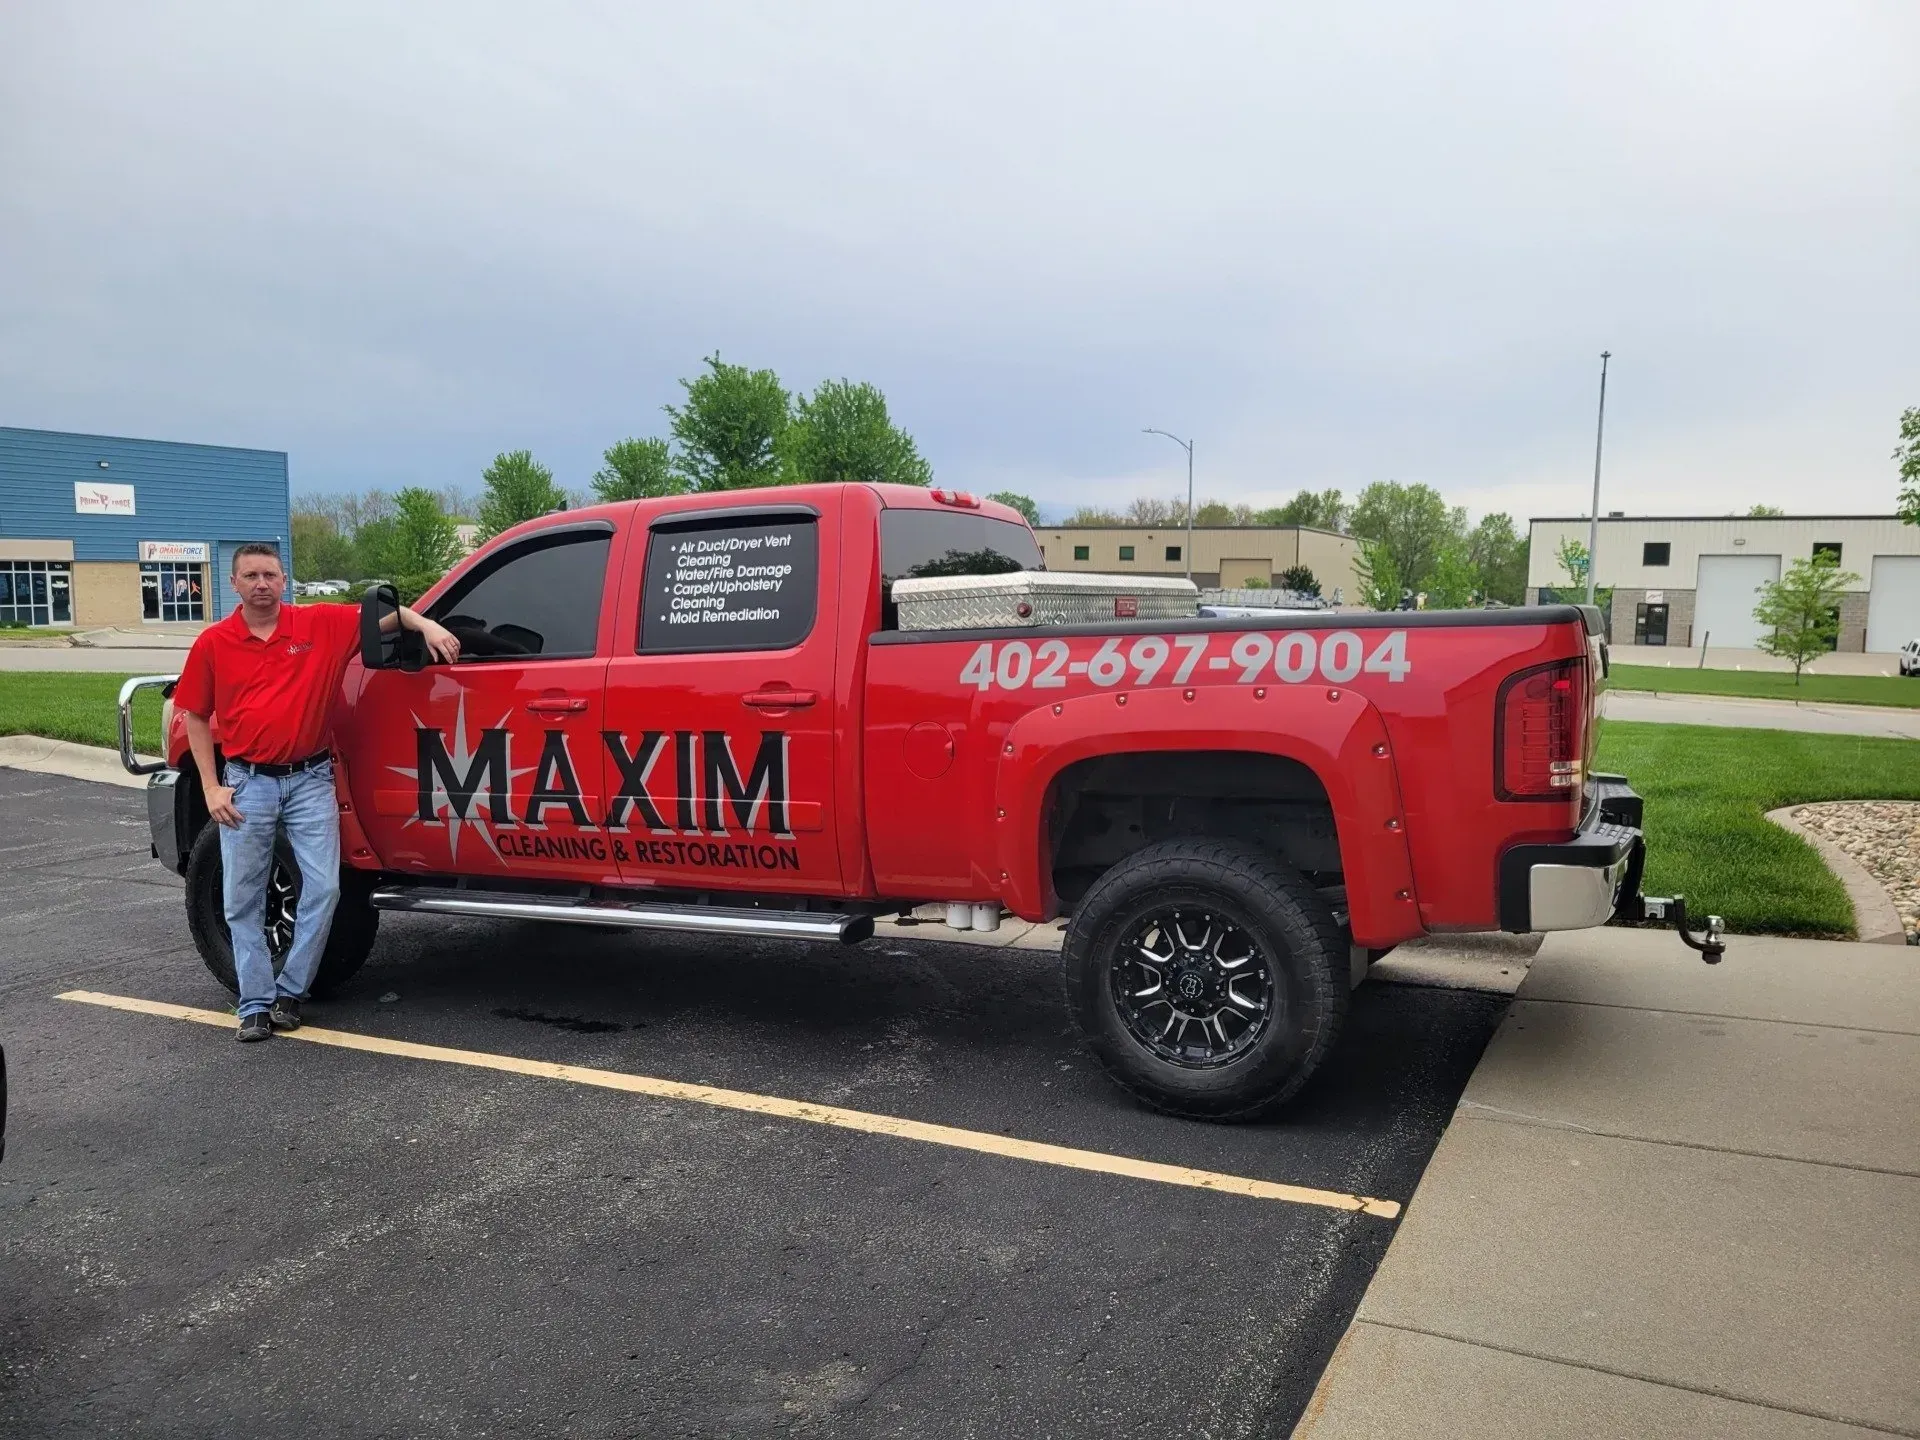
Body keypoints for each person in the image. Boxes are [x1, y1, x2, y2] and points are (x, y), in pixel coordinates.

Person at [173, 544, 460, 1042]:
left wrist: (425, 625)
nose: (261, 584)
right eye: (251, 576)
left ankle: (290, 991)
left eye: (270, 575)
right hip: (246, 782)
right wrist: (212, 786)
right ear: (235, 584)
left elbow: (384, 614)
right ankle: (256, 1003)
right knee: (242, 897)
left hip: (310, 779)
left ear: (285, 581)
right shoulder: (214, 643)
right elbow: (195, 715)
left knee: (324, 888)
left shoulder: (320, 625)